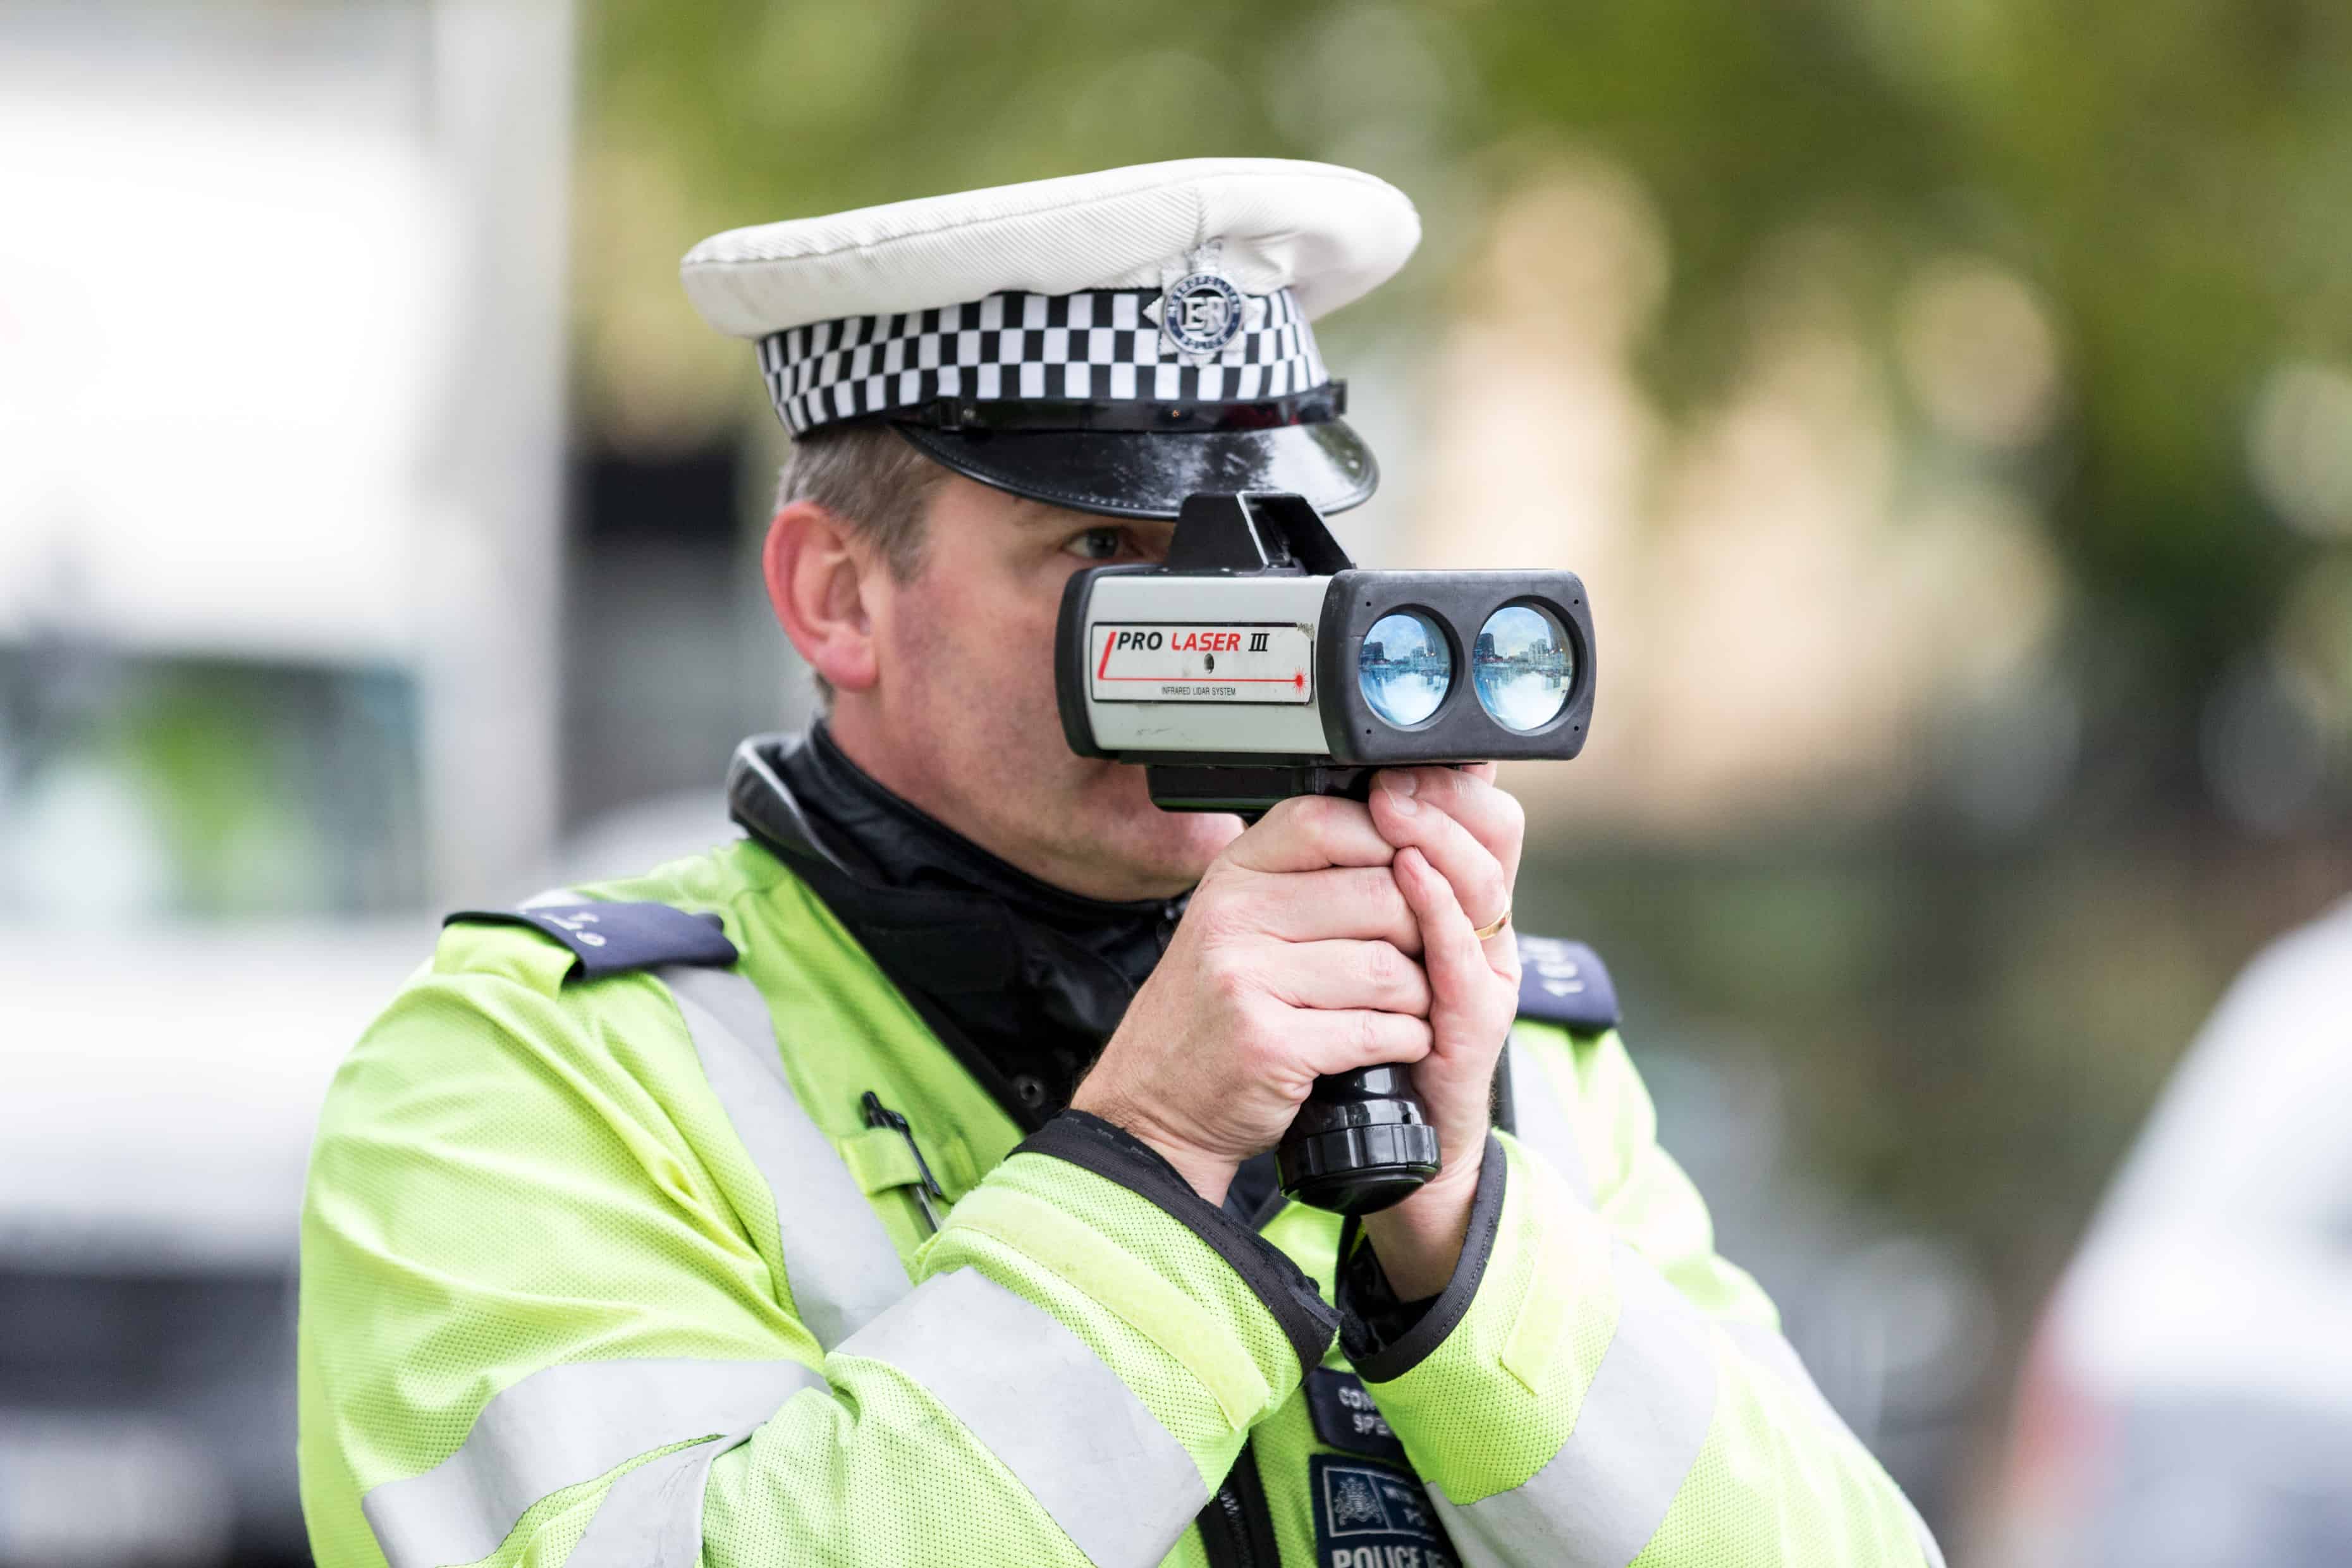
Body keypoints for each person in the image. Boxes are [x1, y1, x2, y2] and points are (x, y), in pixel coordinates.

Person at [297, 159, 1943, 1568]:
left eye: (1274, 546)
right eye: (1107, 555)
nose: (1236, 629)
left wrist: (1464, 1238)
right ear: (837, 599)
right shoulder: (535, 1080)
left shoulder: (1508, 1058)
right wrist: (1152, 1161)